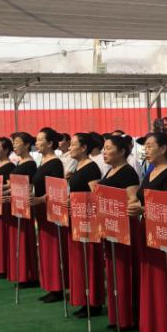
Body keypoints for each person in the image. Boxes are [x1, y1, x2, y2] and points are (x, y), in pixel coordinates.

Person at [130, 132, 167, 332]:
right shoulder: (150, 171)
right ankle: (156, 325)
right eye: (145, 146)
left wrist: (143, 209)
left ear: (163, 149)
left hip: (164, 233)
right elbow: (142, 198)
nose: (146, 150)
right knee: (152, 279)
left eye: (150, 146)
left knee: (165, 280)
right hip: (147, 229)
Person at [95, 134, 141, 332]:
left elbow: (133, 200)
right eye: (103, 149)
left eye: (108, 148)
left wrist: (116, 210)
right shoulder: (110, 170)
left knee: (124, 272)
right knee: (113, 272)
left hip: (124, 228)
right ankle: (117, 315)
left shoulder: (128, 172)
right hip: (110, 226)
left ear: (122, 151)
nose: (104, 152)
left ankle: (128, 317)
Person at [67, 132, 104, 319]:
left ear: (83, 148)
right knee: (80, 262)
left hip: (88, 221)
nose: (69, 148)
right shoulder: (78, 166)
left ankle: (94, 301)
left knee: (89, 262)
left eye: (73, 144)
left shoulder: (91, 168)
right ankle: (84, 299)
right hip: (77, 220)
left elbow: (97, 196)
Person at [28, 128, 67, 304]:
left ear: (50, 143)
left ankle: (57, 287)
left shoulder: (55, 163)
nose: (36, 143)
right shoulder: (42, 161)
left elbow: (58, 190)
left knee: (53, 249)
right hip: (41, 210)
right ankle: (50, 285)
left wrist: (40, 199)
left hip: (51, 210)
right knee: (44, 248)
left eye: (39, 140)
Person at [7, 132, 40, 289]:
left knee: (24, 240)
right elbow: (13, 185)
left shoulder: (30, 164)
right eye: (13, 142)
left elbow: (28, 187)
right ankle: (21, 274)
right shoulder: (20, 162)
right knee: (17, 240)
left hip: (23, 205)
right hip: (16, 203)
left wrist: (9, 193)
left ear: (27, 145)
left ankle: (29, 275)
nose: (14, 145)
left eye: (17, 142)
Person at [0, 137, 15, 280]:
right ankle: (0, 265)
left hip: (5, 204)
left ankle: (5, 266)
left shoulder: (9, 166)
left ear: (6, 150)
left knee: (3, 235)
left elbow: (11, 185)